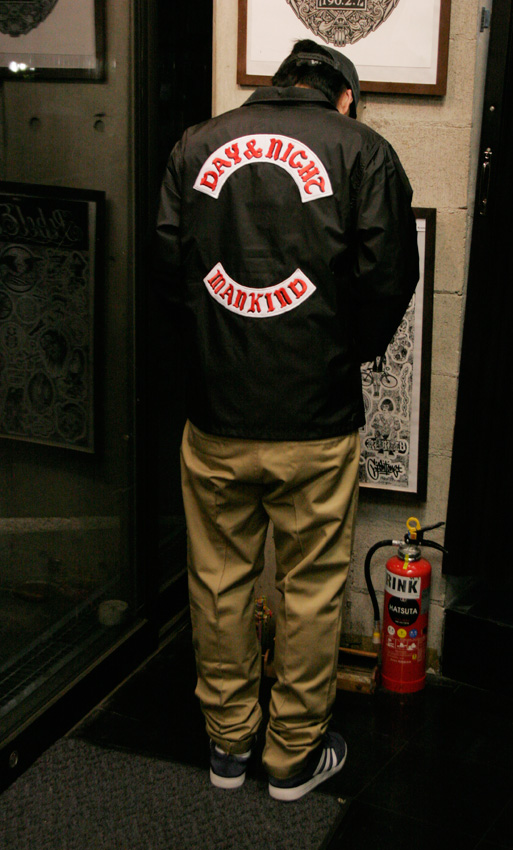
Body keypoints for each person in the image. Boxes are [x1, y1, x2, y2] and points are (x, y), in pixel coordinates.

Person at [154, 39, 419, 801]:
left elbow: (168, 271)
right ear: (344, 96)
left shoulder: (195, 144)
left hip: (216, 415)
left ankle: (228, 744)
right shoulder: (362, 149)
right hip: (315, 416)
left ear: (278, 85)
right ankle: (292, 758)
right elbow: (388, 278)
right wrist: (341, 353)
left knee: (218, 582)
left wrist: (208, 356)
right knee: (310, 589)